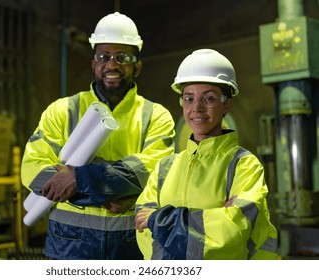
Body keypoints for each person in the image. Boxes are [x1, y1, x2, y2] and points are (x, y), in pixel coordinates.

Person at [20, 12, 175, 260]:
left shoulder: (155, 116)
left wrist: (78, 178)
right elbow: (33, 171)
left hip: (130, 247)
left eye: (122, 57)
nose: (112, 65)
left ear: (137, 66)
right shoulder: (63, 110)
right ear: (93, 64)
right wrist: (103, 193)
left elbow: (153, 171)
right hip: (69, 247)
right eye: (104, 57)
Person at [135, 49, 278, 260]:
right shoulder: (165, 168)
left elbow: (233, 231)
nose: (197, 109)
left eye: (209, 98)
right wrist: (211, 219)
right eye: (189, 98)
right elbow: (142, 226)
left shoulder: (244, 165)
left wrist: (159, 220)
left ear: (226, 105)